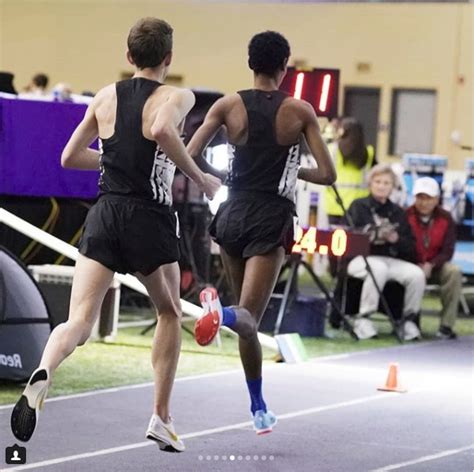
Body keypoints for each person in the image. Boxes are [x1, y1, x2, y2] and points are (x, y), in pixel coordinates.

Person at [10, 17, 221, 453]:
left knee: (78, 323)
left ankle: (45, 369)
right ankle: (161, 418)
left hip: (104, 214)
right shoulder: (177, 95)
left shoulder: (105, 95)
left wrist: (110, 159)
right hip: (149, 215)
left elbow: (69, 156)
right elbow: (162, 129)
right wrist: (200, 176)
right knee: (167, 313)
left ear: (128, 57)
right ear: (168, 59)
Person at [186, 31, 336, 434]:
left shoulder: (227, 104)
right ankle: (221, 314)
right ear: (284, 66)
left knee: (246, 324)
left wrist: (219, 176)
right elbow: (328, 173)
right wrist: (291, 170)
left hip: (232, 212)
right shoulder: (299, 110)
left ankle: (258, 407)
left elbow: (191, 151)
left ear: (250, 63)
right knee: (248, 317)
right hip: (271, 217)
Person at [346, 164, 426, 340]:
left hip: (390, 258)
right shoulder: (358, 206)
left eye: (387, 183)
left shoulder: (398, 212)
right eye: (378, 181)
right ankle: (363, 319)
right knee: (378, 269)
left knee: (416, 274)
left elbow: (410, 246)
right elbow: (349, 236)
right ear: (370, 183)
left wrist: (395, 239)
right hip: (362, 258)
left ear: (393, 187)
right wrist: (372, 234)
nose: (382, 186)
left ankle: (408, 321)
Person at [406, 176, 461, 339]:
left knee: (454, 272)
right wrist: (417, 265)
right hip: (411, 264)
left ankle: (446, 326)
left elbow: (448, 250)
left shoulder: (446, 218)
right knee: (410, 274)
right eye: (420, 198)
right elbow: (403, 245)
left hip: (436, 266)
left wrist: (432, 264)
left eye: (428, 198)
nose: (424, 203)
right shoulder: (405, 215)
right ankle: (411, 320)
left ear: (436, 199)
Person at [324, 117, 376, 226]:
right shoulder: (369, 152)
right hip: (360, 206)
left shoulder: (332, 149)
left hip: (335, 204)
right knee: (355, 240)